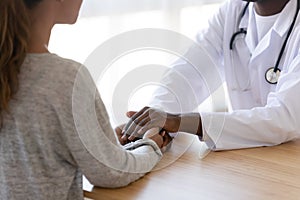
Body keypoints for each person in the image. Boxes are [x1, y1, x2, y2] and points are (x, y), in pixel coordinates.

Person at [0, 0, 170, 199]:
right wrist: (150, 146)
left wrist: (102, 140)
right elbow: (111, 172)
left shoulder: (11, 69)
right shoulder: (65, 78)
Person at [121, 0, 300, 150]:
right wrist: (153, 123)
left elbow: (285, 118)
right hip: (249, 161)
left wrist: (182, 122)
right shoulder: (233, 11)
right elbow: (186, 72)